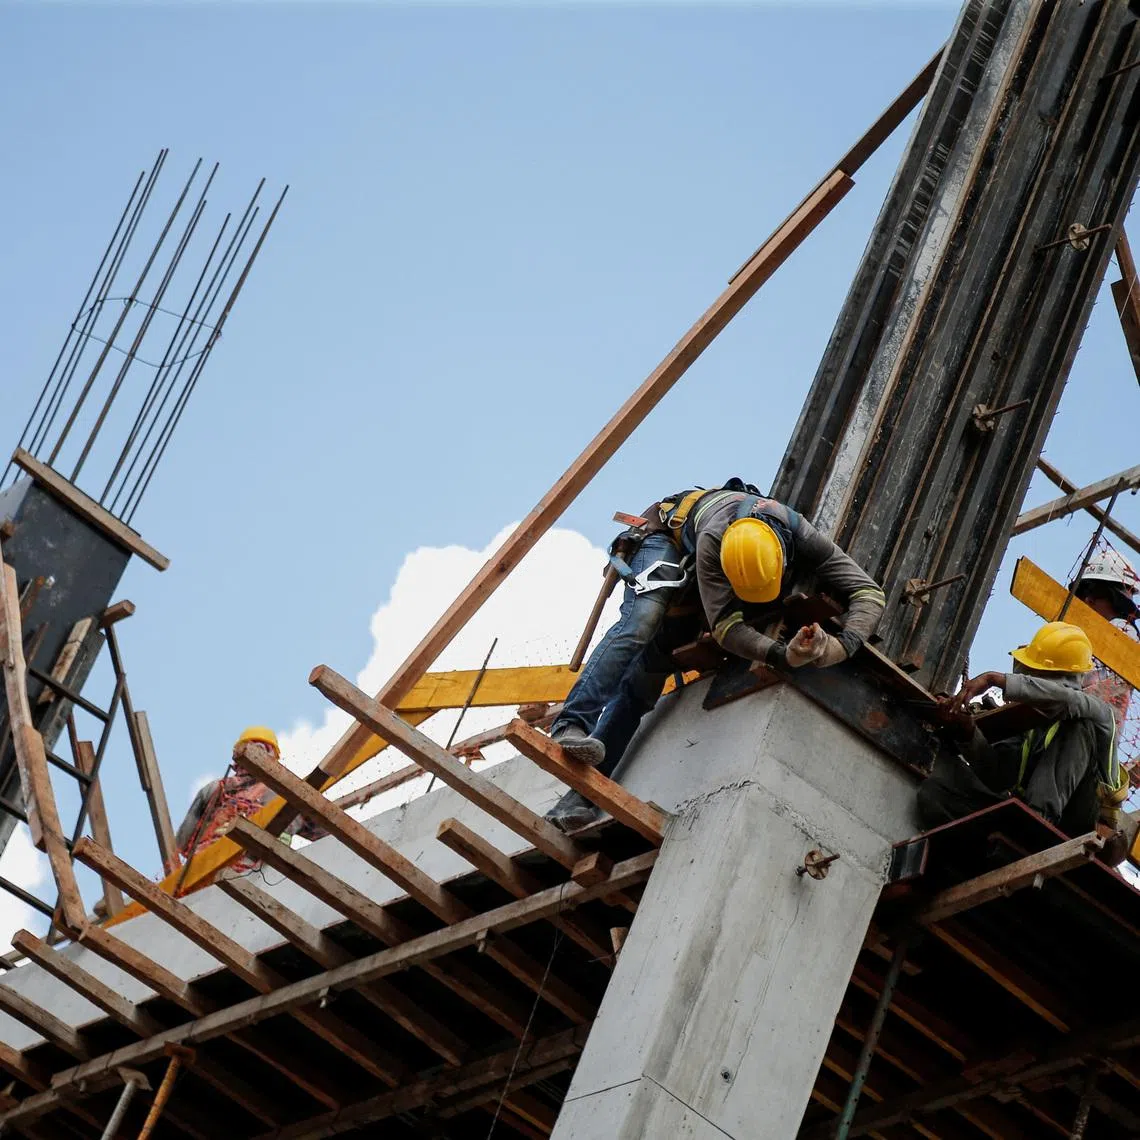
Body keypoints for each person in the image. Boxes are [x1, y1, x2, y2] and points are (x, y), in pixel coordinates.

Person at [546, 480, 887, 830]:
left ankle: (577, 799)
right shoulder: (714, 540)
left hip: (700, 568)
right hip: (668, 538)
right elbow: (727, 629)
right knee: (642, 621)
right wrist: (781, 655)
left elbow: (869, 593)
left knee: (647, 676)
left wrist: (839, 647)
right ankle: (571, 723)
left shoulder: (799, 530)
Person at [916, 622, 1128, 844]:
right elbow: (998, 777)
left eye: (1034, 676)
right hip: (1020, 817)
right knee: (935, 792)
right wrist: (967, 730)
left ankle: (1035, 822)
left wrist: (995, 679)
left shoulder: (1098, 716)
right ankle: (1002, 841)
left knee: (1079, 726)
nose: (1029, 683)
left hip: (1073, 826)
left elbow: (1069, 700)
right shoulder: (1029, 724)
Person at [176, 726, 324, 872]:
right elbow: (325, 835)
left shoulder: (215, 789)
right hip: (267, 872)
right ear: (274, 760)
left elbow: (182, 842)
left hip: (205, 873)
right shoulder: (289, 795)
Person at [1070, 550, 1140, 743]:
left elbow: (1087, 683)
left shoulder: (1122, 631)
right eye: (1084, 593)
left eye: (1096, 593)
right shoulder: (1073, 631)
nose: (1088, 600)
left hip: (1087, 734)